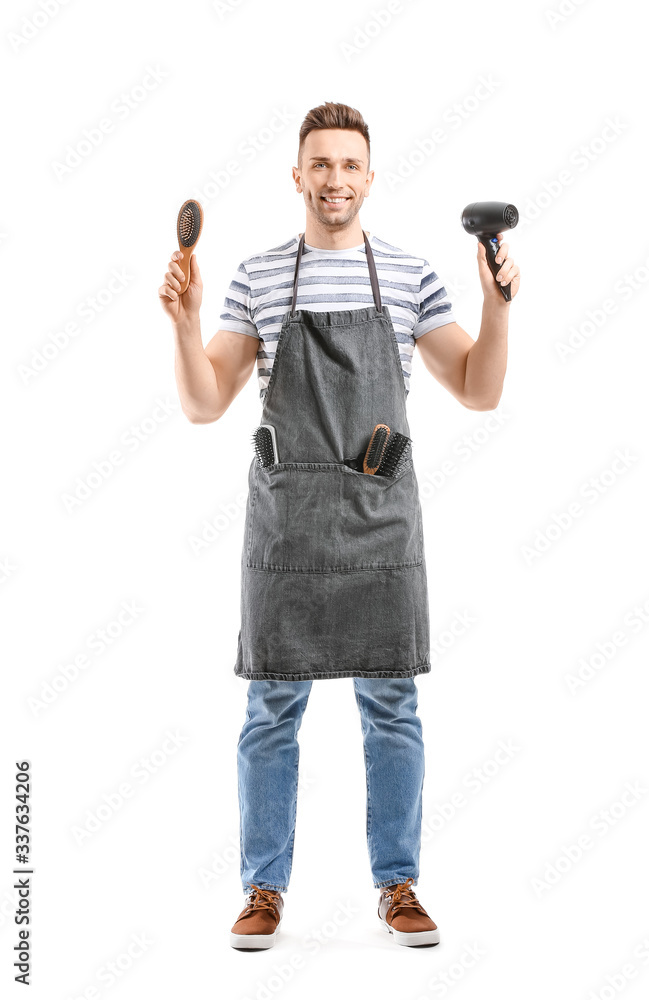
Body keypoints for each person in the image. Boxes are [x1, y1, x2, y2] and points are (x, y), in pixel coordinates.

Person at [158, 101, 520, 951]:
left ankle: (398, 885)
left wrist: (495, 303)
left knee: (392, 705)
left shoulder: (406, 274)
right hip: (287, 529)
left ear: (369, 174)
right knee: (269, 710)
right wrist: (182, 326)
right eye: (319, 165)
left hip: (378, 522)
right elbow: (205, 402)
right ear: (297, 176)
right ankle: (263, 888)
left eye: (349, 164)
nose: (334, 179)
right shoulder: (253, 276)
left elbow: (477, 387)